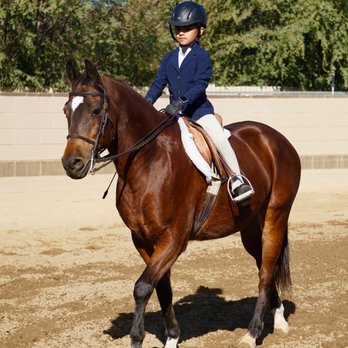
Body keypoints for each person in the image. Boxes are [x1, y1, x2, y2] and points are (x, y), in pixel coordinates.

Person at [145, 1, 254, 204]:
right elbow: (158, 83)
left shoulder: (201, 56)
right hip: (172, 114)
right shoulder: (169, 58)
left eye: (187, 28)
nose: (181, 32)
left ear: (200, 30)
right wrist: (146, 103)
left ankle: (237, 178)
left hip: (198, 112)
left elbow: (200, 84)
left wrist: (182, 102)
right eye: (178, 28)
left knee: (218, 137)